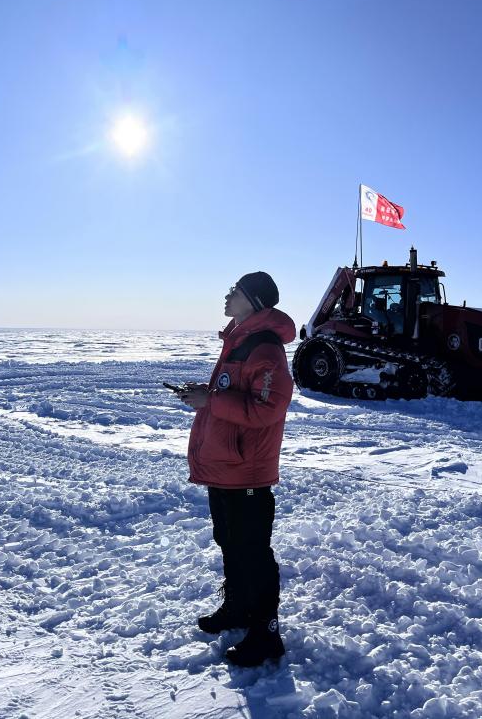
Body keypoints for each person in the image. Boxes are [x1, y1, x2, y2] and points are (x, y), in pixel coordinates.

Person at [175, 272, 296, 667]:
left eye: (235, 292)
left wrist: (209, 402)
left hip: (247, 471)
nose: (227, 297)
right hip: (226, 467)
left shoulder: (264, 348)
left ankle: (266, 633)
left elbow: (268, 408)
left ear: (255, 301)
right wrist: (205, 397)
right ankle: (238, 608)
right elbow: (230, 394)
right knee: (228, 539)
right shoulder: (238, 340)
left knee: (252, 551)